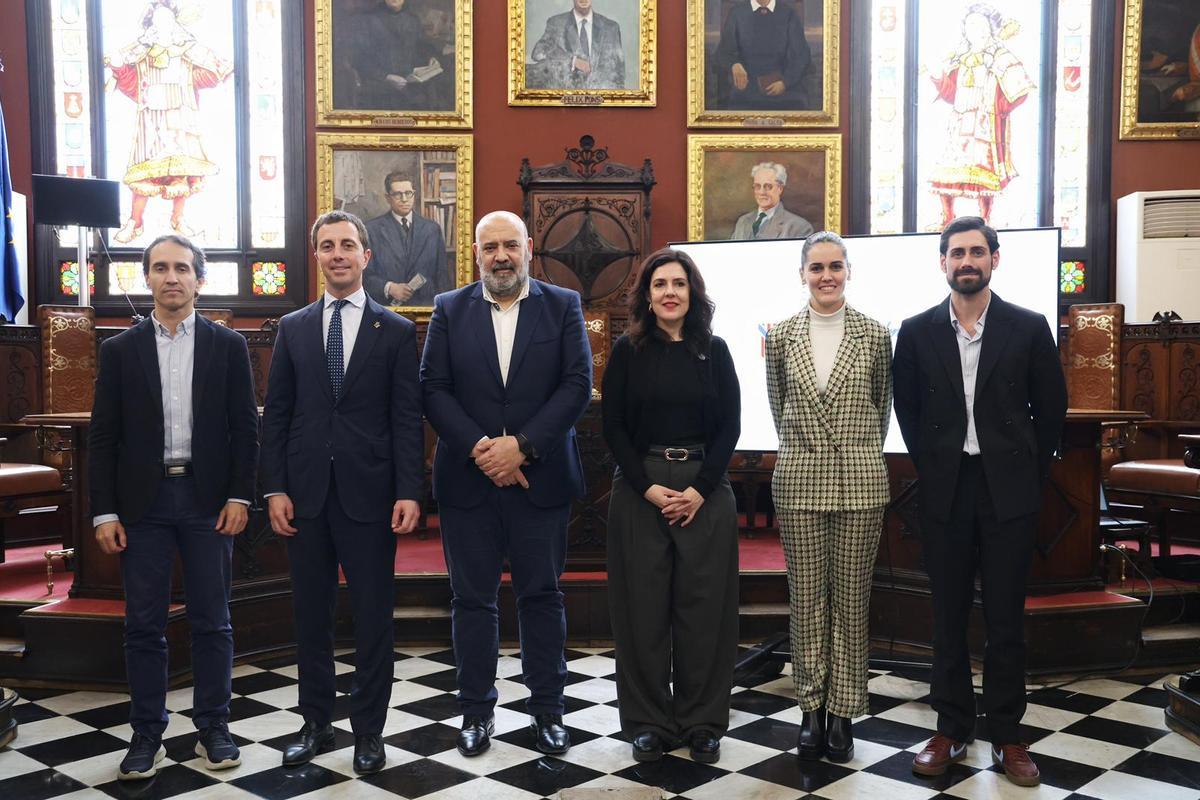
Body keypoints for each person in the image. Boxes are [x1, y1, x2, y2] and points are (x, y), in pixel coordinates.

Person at [892, 216, 1067, 787]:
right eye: (956, 253)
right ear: (942, 263)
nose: (966, 261)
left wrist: (1025, 475)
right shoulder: (916, 332)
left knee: (1005, 622)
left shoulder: (1028, 326)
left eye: (976, 252)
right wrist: (936, 462)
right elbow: (909, 410)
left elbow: (1052, 412)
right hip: (946, 488)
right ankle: (951, 728)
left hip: (1008, 493)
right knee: (945, 617)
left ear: (995, 258)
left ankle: (1008, 736)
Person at [420, 210, 592, 758]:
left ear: (529, 248)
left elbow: (576, 385)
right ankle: (475, 712)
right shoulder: (449, 309)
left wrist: (521, 446)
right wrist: (483, 450)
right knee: (471, 601)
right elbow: (434, 388)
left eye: (510, 246)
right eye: (490, 247)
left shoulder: (562, 305)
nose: (500, 256)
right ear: (475, 253)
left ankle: (548, 712)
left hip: (538, 481)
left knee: (541, 597)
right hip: (468, 483)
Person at [260, 210, 424, 775]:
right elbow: (276, 416)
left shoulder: (397, 331)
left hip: (371, 495)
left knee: (374, 615)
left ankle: (369, 732)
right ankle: (315, 723)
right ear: (317, 257)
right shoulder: (294, 328)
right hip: (304, 495)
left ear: (366, 256)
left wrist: (410, 490)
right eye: (327, 246)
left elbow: (407, 419)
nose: (338, 255)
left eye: (347, 245)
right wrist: (274, 487)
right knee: (311, 614)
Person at [89, 234, 258, 780]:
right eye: (160, 268)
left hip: (209, 500)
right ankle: (147, 733)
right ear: (147, 278)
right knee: (143, 625)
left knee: (213, 620)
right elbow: (104, 438)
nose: (171, 278)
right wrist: (104, 511)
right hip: (144, 503)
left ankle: (214, 726)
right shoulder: (118, 350)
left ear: (199, 279)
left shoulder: (227, 346)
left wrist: (239, 495)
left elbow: (245, 431)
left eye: (182, 268)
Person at [601, 248, 741, 764]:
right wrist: (648, 487)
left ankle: (702, 721)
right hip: (642, 489)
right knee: (642, 611)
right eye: (659, 284)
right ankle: (648, 722)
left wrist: (701, 488)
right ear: (647, 294)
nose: (669, 293)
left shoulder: (716, 349)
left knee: (705, 611)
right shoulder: (627, 351)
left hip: (705, 488)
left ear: (693, 291)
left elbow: (730, 426)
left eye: (678, 283)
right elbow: (612, 426)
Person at [764, 231, 892, 764]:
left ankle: (843, 713)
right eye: (816, 267)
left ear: (848, 271)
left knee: (851, 602)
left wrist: (851, 454)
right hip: (798, 480)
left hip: (861, 480)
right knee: (807, 602)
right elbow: (779, 406)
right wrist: (810, 451)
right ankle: (810, 709)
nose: (826, 276)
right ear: (802, 274)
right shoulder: (780, 335)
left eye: (835, 266)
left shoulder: (875, 334)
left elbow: (881, 406)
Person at [105, 0, 233, 243]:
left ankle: (178, 218)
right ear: (151, 24)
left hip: (180, 119)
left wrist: (208, 69)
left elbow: (205, 77)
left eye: (168, 19)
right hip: (152, 121)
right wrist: (120, 68)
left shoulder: (186, 52)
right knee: (144, 173)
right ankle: (135, 221)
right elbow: (132, 85)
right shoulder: (142, 56)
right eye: (158, 20)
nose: (164, 25)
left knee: (181, 172)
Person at [927, 4, 1033, 226]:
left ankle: (985, 219)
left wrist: (1001, 106)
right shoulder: (960, 59)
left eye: (980, 24)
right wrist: (938, 76)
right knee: (949, 168)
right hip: (960, 124)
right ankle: (947, 218)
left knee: (984, 172)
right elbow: (951, 93)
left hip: (986, 125)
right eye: (970, 24)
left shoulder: (1001, 57)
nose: (975, 29)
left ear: (990, 29)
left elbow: (1018, 91)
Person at [364, 171, 450, 307]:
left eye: (408, 193)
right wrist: (390, 287)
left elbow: (442, 277)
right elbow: (363, 276)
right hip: (387, 312)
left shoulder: (432, 229)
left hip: (427, 310)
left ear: (414, 194)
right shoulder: (371, 230)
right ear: (388, 198)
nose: (404, 199)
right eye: (397, 194)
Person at [713, 0, 811, 110]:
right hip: (746, 86)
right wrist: (734, 64)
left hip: (782, 85)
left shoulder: (788, 14)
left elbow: (802, 55)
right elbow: (723, 52)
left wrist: (786, 82)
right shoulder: (737, 13)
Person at [346, 0, 444, 110]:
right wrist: (386, 77)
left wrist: (431, 57)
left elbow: (422, 46)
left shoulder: (412, 19)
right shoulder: (367, 20)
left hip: (411, 86)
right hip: (379, 89)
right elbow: (358, 59)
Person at [529, 0, 625, 90]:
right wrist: (572, 61)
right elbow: (538, 53)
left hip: (600, 102)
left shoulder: (611, 27)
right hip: (567, 101)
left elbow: (619, 75)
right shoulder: (556, 23)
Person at [731, 163, 815, 240]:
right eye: (757, 186)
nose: (761, 192)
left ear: (780, 189)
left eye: (768, 186)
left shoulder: (799, 227)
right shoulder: (743, 222)